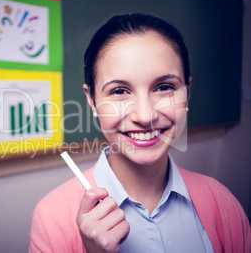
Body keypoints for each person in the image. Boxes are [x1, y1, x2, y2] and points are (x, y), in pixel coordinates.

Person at [29, 13, 251, 252]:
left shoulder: (222, 202)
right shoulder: (52, 217)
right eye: (119, 91)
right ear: (92, 100)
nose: (145, 116)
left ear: (187, 92)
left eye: (164, 87)